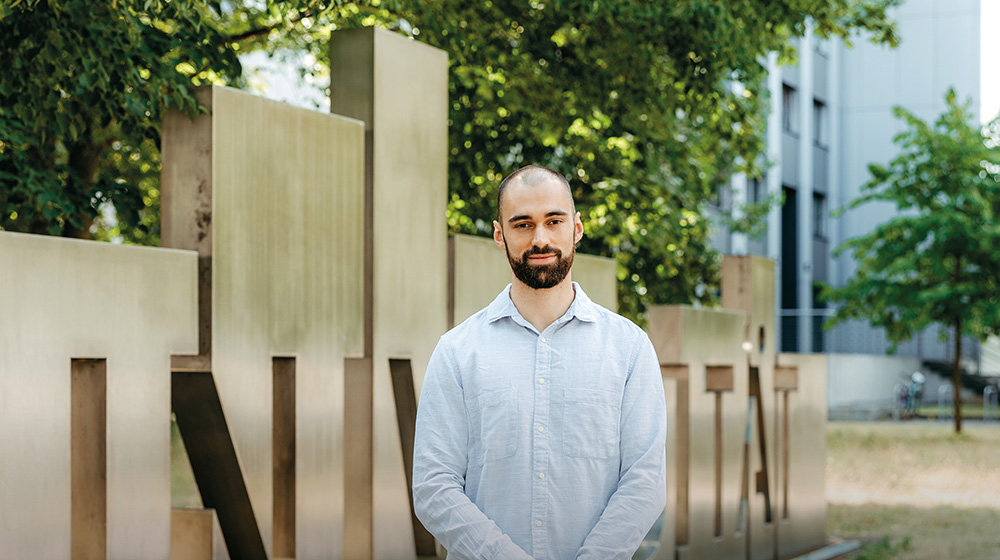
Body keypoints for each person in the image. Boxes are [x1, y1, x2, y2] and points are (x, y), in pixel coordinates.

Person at [412, 164, 667, 559]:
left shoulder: (629, 349)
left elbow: (644, 481)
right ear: (500, 235)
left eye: (553, 221)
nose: (541, 238)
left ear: (577, 228)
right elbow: (433, 486)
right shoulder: (457, 351)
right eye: (523, 225)